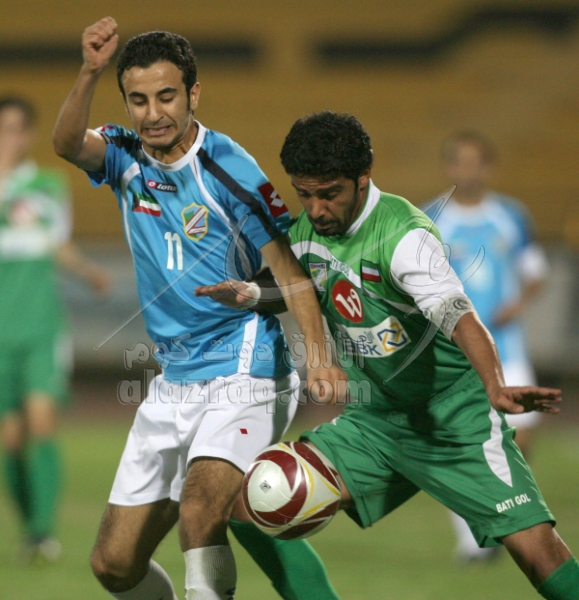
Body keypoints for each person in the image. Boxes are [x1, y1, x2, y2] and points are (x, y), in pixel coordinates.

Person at [197, 111, 579, 600]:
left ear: (363, 177)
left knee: (539, 555)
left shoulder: (404, 237)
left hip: (452, 420)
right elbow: (296, 285)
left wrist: (494, 385)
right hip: (375, 422)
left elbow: (459, 315)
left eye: (329, 193)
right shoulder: (307, 231)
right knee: (251, 501)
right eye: (304, 194)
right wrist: (252, 293)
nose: (316, 209)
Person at [53, 18, 345, 600]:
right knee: (114, 566)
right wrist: (88, 71)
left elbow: (291, 273)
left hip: (246, 368)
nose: (153, 113)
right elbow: (66, 144)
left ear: (194, 94)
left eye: (166, 96)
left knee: (201, 510)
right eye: (138, 100)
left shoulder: (229, 169)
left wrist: (319, 357)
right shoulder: (124, 155)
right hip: (174, 380)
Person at [423, 130, 549, 563]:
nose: (468, 170)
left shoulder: (510, 215)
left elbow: (535, 271)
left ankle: (504, 514)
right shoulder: (431, 218)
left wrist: (518, 303)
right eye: (460, 161)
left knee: (522, 437)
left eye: (475, 161)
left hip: (506, 345)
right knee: (461, 440)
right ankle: (475, 539)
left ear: (488, 167)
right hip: (454, 350)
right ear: (449, 166)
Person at [0, 96, 111, 563]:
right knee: (10, 439)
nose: (9, 138)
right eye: (2, 128)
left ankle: (44, 533)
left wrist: (87, 271)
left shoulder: (47, 185)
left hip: (41, 326)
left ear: (28, 134)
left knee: (42, 421)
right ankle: (31, 528)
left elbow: (57, 244)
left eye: (16, 129)